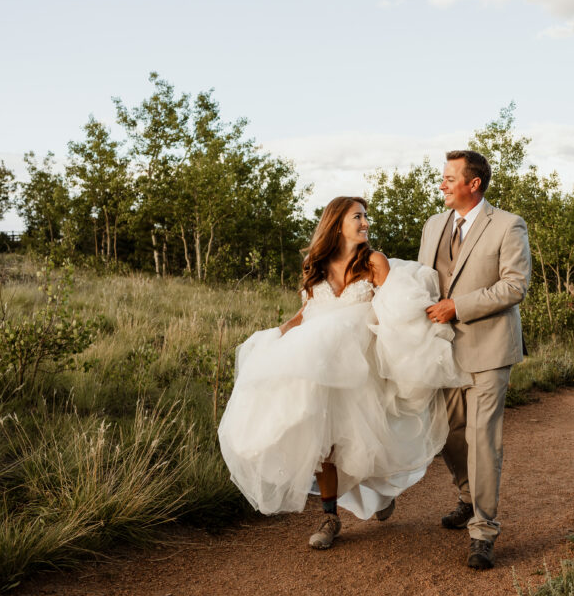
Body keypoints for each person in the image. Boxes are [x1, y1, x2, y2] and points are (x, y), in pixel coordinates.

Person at [218, 196, 470, 550]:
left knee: (368, 438)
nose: (365, 222)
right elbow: (306, 313)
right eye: (358, 216)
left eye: (366, 216)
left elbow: (395, 306)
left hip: (360, 364)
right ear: (337, 223)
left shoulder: (374, 262)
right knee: (324, 440)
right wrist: (277, 336)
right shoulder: (315, 265)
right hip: (321, 365)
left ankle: (380, 495)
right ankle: (330, 516)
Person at [418, 150, 531, 569]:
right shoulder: (433, 226)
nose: (442, 184)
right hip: (441, 350)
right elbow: (423, 280)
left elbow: (514, 287)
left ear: (474, 184)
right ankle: (468, 495)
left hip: (489, 349)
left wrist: (457, 307)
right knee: (445, 431)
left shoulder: (507, 225)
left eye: (450, 178)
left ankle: (483, 530)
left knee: (483, 439)